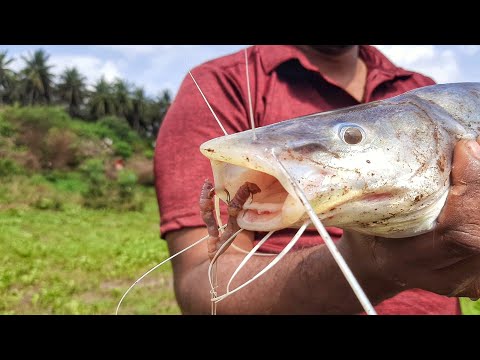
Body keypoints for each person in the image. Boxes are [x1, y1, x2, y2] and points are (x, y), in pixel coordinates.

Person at [154, 45, 480, 314]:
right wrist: (368, 264)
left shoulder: (421, 85)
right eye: (351, 136)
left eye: (352, 136)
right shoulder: (223, 82)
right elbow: (202, 285)